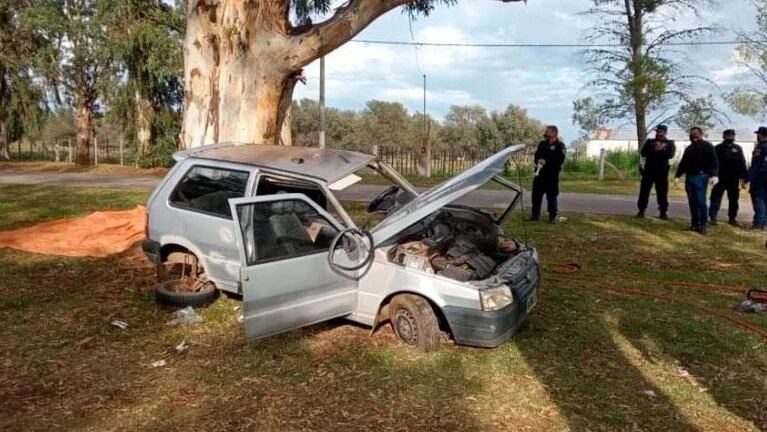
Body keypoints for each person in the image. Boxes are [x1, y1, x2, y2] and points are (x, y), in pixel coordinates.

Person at [675, 127, 719, 235]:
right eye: (691, 134)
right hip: (689, 177)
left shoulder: (708, 146)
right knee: (692, 202)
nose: (693, 136)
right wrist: (677, 175)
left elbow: (714, 161)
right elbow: (683, 163)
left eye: (695, 134)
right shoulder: (689, 148)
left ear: (701, 134)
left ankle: (703, 225)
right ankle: (695, 224)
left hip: (701, 176)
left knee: (700, 202)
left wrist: (714, 175)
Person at [637, 124, 676, 219]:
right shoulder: (650, 142)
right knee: (644, 192)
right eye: (657, 131)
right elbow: (643, 153)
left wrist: (661, 150)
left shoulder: (670, 143)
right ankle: (641, 211)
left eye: (660, 132)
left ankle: (663, 212)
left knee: (662, 193)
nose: (658, 133)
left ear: (665, 133)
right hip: (649, 171)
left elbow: (670, 155)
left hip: (662, 172)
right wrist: (654, 149)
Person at [709, 129, 747, 226]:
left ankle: (732, 218)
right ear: (724, 136)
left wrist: (744, 178)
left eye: (731, 135)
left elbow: (742, 163)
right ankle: (713, 217)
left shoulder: (738, 148)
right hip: (720, 178)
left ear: (734, 136)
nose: (730, 137)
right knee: (715, 198)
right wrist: (713, 175)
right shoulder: (717, 148)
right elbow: (713, 163)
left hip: (733, 179)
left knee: (734, 200)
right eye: (728, 135)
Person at [530, 125, 566, 223]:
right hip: (540, 174)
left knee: (551, 196)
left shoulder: (560, 146)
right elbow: (537, 155)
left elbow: (559, 160)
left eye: (548, 132)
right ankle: (535, 215)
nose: (545, 133)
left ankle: (552, 217)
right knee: (536, 195)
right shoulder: (542, 144)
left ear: (554, 133)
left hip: (552, 176)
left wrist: (547, 162)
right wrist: (539, 160)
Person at [745, 126, 767, 230]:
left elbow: (756, 165)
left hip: (760, 179)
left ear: (762, 135)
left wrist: (747, 178)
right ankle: (763, 223)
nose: (757, 136)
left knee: (759, 200)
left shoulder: (761, 147)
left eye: (758, 134)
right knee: (765, 201)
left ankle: (758, 224)